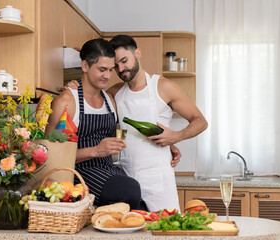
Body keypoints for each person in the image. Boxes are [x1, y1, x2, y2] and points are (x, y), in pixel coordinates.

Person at [105, 35, 208, 212]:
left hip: (159, 182)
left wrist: (175, 137)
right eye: (116, 65)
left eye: (124, 61)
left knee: (165, 231)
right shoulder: (115, 92)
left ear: (137, 53)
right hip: (126, 180)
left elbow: (200, 121)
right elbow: (93, 108)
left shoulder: (163, 87)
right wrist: (76, 88)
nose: (121, 69)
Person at [45, 38, 144, 209]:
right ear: (85, 66)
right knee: (129, 191)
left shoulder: (110, 100)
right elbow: (50, 155)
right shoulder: (68, 101)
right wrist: (95, 151)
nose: (108, 76)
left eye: (111, 70)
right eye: (102, 70)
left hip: (108, 170)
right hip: (78, 173)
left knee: (141, 208)